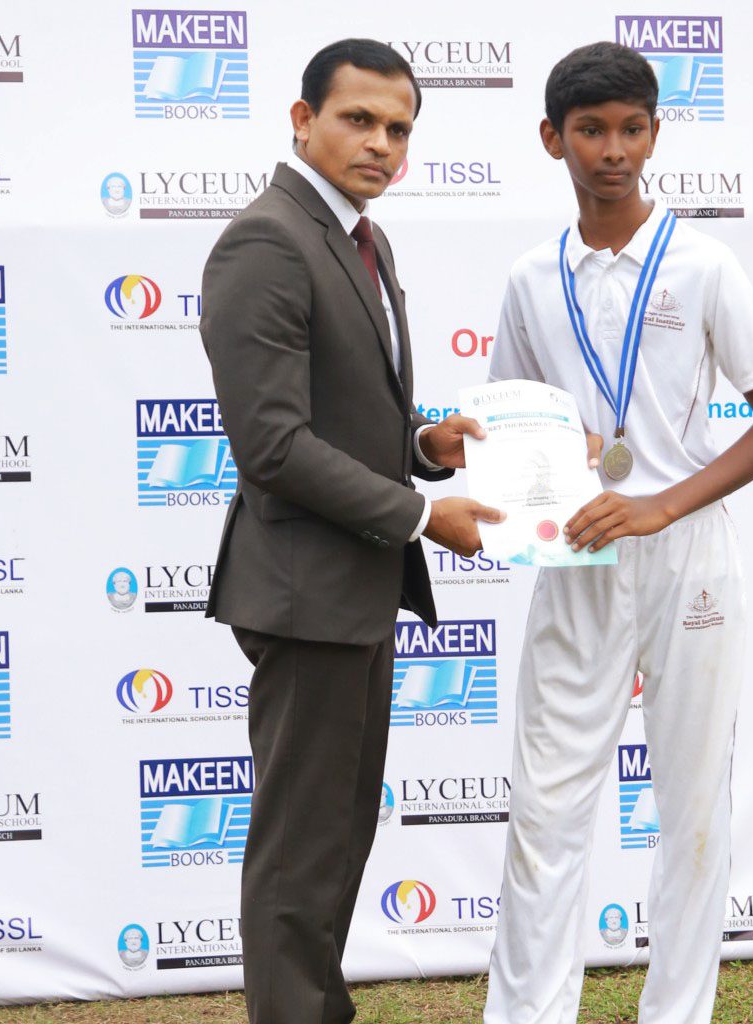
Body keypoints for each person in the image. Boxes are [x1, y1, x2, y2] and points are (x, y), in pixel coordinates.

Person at [482, 42, 753, 1024]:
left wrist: (662, 502)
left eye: (630, 129)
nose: (612, 151)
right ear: (553, 140)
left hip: (688, 555)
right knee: (544, 809)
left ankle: (677, 1012)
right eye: (590, 131)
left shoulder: (704, 264)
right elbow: (514, 427)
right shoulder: (531, 277)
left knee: (692, 809)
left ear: (656, 134)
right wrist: (555, 450)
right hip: (578, 554)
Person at [199, 38, 501, 1024]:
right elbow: (273, 447)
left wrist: (423, 445)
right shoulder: (266, 242)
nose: (381, 143)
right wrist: (421, 514)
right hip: (305, 596)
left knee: (332, 843)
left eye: (398, 129)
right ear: (302, 119)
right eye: (358, 119)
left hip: (353, 592)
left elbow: (346, 413)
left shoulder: (363, 239)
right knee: (301, 853)